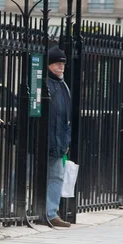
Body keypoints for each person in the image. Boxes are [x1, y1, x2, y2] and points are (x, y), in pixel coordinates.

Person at [46, 45, 72, 227]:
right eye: (56, 63)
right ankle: (5, 204)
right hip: (42, 141)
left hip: (58, 142)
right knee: (25, 175)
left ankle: (51, 213)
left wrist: (66, 141)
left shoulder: (64, 86)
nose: (61, 67)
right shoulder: (45, 84)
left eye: (62, 64)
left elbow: (66, 118)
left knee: (56, 177)